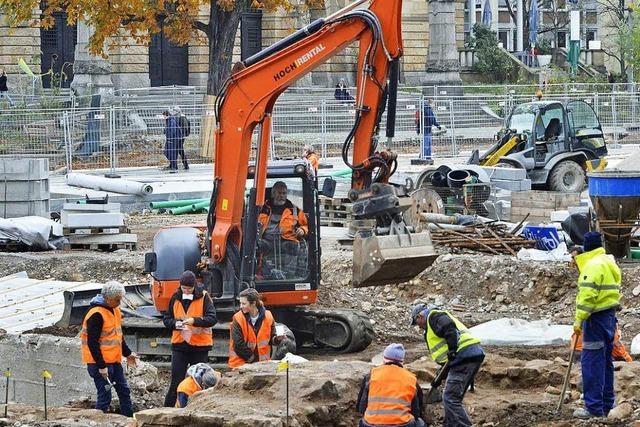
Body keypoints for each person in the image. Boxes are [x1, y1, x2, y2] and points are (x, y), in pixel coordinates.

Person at [572, 231, 621, 419]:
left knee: (592, 363)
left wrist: (579, 320)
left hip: (595, 319)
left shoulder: (593, 265)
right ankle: (608, 405)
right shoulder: (609, 262)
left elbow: (587, 297)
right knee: (605, 363)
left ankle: (593, 408)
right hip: (609, 317)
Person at [411, 304, 484, 427]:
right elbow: (448, 359)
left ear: (419, 316)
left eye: (416, 322)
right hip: (467, 355)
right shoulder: (433, 320)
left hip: (463, 357)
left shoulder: (433, 316)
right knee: (453, 397)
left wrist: (453, 349)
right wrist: (439, 378)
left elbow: (449, 327)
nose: (418, 326)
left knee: (450, 398)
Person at [80, 281, 137, 417]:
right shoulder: (96, 314)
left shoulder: (114, 309)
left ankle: (128, 421)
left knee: (124, 391)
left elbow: (118, 336)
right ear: (107, 298)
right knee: (105, 396)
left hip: (114, 361)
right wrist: (101, 366)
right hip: (100, 364)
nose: (119, 302)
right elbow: (92, 343)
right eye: (117, 300)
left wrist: (128, 353)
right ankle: (98, 421)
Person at [162, 270, 217, 407]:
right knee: (176, 381)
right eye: (184, 288)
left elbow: (212, 318)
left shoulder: (204, 297)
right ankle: (168, 409)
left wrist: (194, 321)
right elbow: (167, 319)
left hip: (199, 346)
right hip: (180, 345)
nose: (186, 291)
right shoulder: (175, 297)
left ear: (194, 286)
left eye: (189, 288)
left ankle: (199, 407)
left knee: (198, 381)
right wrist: (176, 324)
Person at [357, 343, 425, 427]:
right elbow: (416, 412)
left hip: (371, 425)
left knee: (361, 421)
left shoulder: (371, 375)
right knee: (420, 423)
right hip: (402, 425)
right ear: (402, 361)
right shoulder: (411, 378)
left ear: (384, 359)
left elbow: (361, 408)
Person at [228, 288, 291, 368]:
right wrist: (252, 360)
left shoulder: (268, 316)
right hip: (241, 365)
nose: (241, 306)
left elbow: (271, 339)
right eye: (240, 303)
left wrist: (277, 339)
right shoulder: (237, 318)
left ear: (253, 303)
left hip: (262, 366)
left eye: (244, 304)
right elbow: (238, 345)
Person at [258, 181, 308, 279]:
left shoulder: (295, 210)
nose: (282, 196)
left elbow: (306, 225)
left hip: (286, 240)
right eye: (279, 193)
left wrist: (302, 230)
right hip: (267, 240)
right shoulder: (263, 208)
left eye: (284, 193)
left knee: (293, 246)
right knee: (256, 247)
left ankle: (289, 277)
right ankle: (261, 275)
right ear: (273, 194)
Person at [172, 106, 191, 170]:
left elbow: (184, 128)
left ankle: (184, 165)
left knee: (179, 150)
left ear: (178, 111)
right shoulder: (179, 117)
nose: (173, 112)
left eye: (174, 111)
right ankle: (176, 165)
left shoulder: (182, 117)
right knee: (178, 150)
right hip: (179, 137)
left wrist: (181, 135)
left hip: (180, 137)